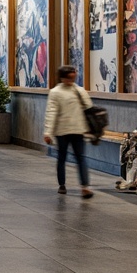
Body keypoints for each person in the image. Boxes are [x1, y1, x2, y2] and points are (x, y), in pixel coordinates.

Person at [43, 65, 93, 198]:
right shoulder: (56, 92)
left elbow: (89, 109)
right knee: (63, 158)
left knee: (79, 158)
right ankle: (62, 185)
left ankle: (85, 187)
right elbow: (51, 113)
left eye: (73, 77)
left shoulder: (80, 90)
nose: (71, 80)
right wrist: (48, 132)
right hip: (63, 131)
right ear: (62, 78)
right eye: (69, 78)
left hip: (77, 130)